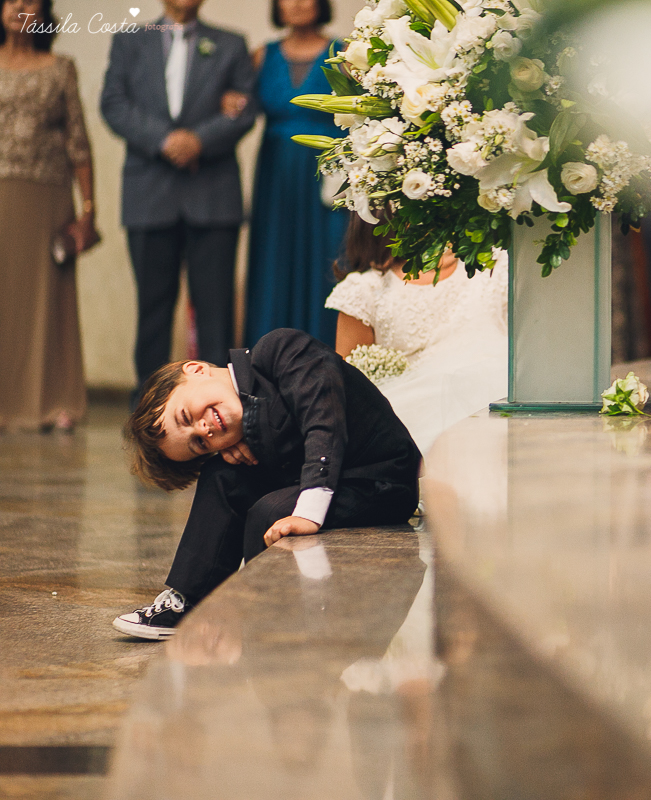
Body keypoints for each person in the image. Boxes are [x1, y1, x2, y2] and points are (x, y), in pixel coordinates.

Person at [113, 327, 421, 639]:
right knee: (222, 476)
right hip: (330, 478)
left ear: (195, 369)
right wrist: (242, 434)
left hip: (380, 479)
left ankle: (268, 614)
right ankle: (192, 601)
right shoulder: (238, 423)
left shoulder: (281, 349)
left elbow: (323, 419)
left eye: (184, 416)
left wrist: (308, 511)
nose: (203, 429)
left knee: (270, 513)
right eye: (199, 444)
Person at [100, 0, 257, 403]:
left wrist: (199, 140)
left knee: (215, 312)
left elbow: (244, 109)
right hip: (148, 195)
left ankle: (221, 403)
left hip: (213, 197)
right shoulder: (130, 40)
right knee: (152, 310)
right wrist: (165, 140)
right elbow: (114, 104)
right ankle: (149, 407)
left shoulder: (230, 44)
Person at [325, 217, 509, 455]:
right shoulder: (364, 291)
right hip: (415, 423)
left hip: (498, 407)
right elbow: (349, 390)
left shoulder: (492, 266)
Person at [0, 0, 100, 431]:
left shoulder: (60, 67)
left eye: (31, 1)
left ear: (43, 14)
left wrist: (89, 211)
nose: (21, 6)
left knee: (47, 300)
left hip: (47, 196)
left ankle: (56, 400)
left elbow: (78, 140)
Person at [243, 0, 348, 347]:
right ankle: (268, 362)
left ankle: (327, 359)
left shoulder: (346, 54)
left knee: (328, 260)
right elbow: (238, 108)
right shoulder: (261, 56)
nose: (299, 2)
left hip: (328, 176)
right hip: (275, 178)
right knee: (274, 262)